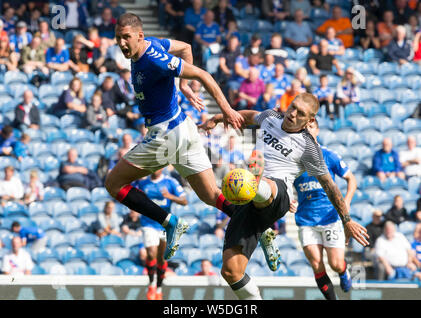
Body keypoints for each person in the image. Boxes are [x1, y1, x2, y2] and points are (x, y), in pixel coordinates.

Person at [199, 92, 369, 300]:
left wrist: (347, 220)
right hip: (251, 195)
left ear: (310, 120)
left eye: (301, 113)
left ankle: (254, 181)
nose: (293, 114)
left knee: (258, 173)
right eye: (293, 107)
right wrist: (216, 118)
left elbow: (330, 186)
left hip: (278, 194)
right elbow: (248, 116)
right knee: (231, 271)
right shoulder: (271, 117)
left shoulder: (309, 148)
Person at [104, 13, 244, 262]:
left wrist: (226, 109)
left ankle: (170, 222)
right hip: (184, 129)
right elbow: (186, 47)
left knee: (113, 184)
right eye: (118, 38)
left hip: (166, 134)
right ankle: (256, 225)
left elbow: (204, 75)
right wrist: (182, 86)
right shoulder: (152, 45)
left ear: (139, 36)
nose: (122, 43)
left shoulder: (154, 59)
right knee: (211, 194)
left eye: (126, 37)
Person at [292, 119, 356, 299]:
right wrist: (289, 199)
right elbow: (285, 184)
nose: (307, 131)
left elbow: (351, 179)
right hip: (306, 221)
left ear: (317, 130)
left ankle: (343, 272)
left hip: (330, 218)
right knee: (316, 263)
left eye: (310, 127)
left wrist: (347, 202)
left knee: (335, 264)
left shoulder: (329, 155)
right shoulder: (294, 160)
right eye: (303, 129)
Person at [133, 168, 188, 300]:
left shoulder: (170, 182)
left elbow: (184, 201)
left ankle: (159, 288)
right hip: (148, 224)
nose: (155, 169)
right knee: (151, 253)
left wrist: (170, 197)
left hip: (164, 223)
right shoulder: (143, 183)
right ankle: (151, 284)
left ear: (162, 168)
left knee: (161, 258)